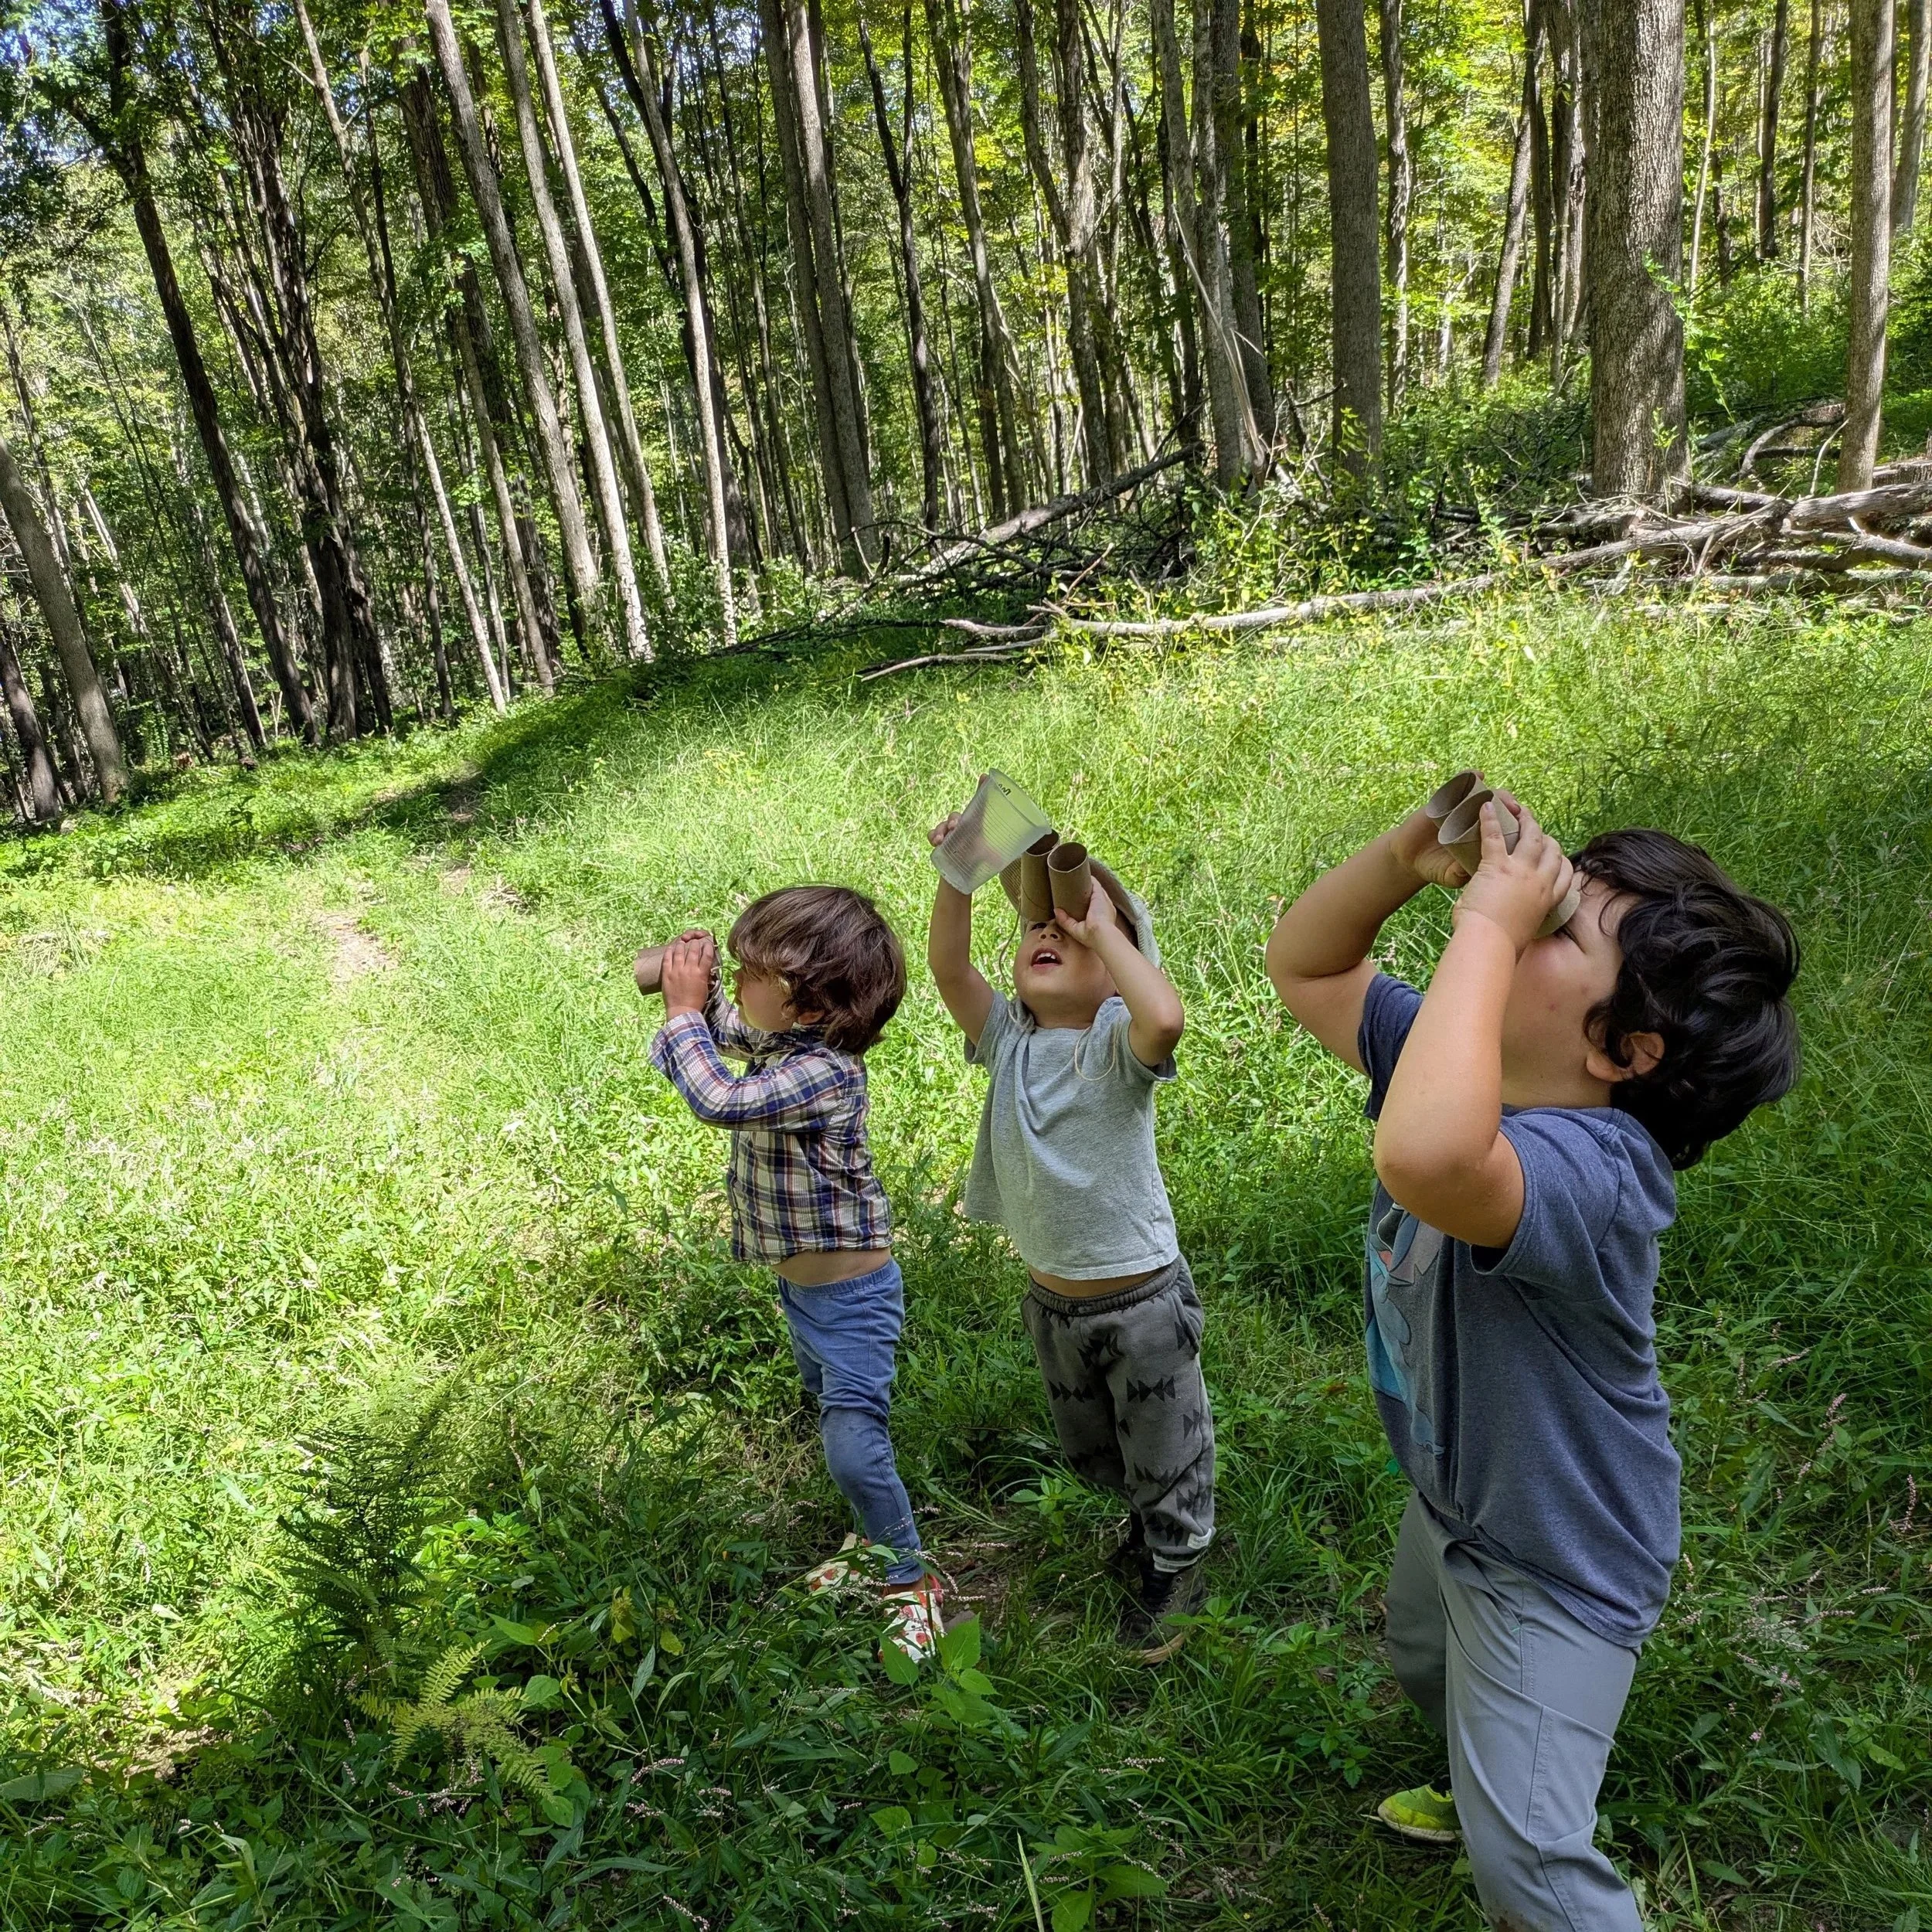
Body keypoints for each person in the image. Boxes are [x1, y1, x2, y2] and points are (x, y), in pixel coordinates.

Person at [1265, 783, 1800, 1930]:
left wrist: (1487, 929)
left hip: (1560, 1560)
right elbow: (1306, 966)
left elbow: (1428, 1160)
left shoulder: (1599, 1171)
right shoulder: (1469, 1076)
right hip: (1464, 1492)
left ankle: (1514, 1813)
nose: (1528, 914)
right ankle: (1477, 1765)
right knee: (1422, 1650)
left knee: (1533, 1869)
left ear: (1624, 1050)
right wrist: (1407, 855)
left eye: (1561, 929)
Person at [926, 811, 1215, 1662]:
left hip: (1142, 1298)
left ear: (1123, 972)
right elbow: (947, 965)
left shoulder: (1116, 1043)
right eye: (1037, 927)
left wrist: (1100, 924)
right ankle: (1148, 1529)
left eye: (1078, 931)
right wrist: (959, 867)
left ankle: (1182, 1560)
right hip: (1052, 1297)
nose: (1050, 928)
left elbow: (1165, 1016)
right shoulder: (1008, 1040)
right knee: (1097, 1447)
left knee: (1165, 1441)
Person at [638, 886, 940, 1660]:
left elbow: (718, 1098)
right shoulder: (787, 1038)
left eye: (749, 972)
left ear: (806, 1004)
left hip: (854, 1298)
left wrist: (681, 1013)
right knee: (828, 1411)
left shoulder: (824, 1075)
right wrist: (688, 985)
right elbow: (719, 1025)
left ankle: (909, 1579)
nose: (736, 984)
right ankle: (869, 1539)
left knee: (853, 1443)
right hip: (805, 1291)